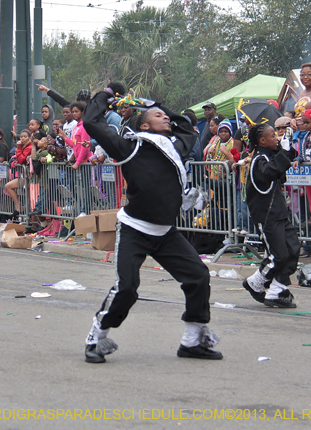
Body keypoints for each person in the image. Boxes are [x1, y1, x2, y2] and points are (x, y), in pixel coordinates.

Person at [82, 90, 221, 363]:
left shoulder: (175, 147)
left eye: (165, 115)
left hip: (165, 232)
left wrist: (156, 104)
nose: (166, 118)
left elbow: (186, 127)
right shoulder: (128, 146)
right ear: (143, 125)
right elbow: (91, 123)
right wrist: (107, 96)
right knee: (127, 288)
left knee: (198, 277)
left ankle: (192, 341)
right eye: (158, 116)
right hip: (135, 229)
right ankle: (96, 337)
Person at [242, 123, 301, 308]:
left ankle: (277, 289)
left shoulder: (269, 156)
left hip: (279, 211)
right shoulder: (259, 160)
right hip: (266, 215)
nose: (276, 138)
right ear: (262, 140)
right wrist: (281, 154)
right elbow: (270, 172)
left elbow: (281, 167)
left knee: (292, 249)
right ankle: (256, 282)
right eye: (273, 136)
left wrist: (286, 149)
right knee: (278, 255)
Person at [4, 129, 33, 219]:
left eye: (25, 137)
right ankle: (19, 207)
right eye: (21, 137)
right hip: (23, 175)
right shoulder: (22, 147)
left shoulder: (29, 147)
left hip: (29, 176)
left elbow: (21, 160)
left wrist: (19, 148)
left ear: (29, 137)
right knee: (8, 186)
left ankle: (29, 215)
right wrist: (13, 163)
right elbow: (17, 159)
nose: (23, 138)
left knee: (30, 197)